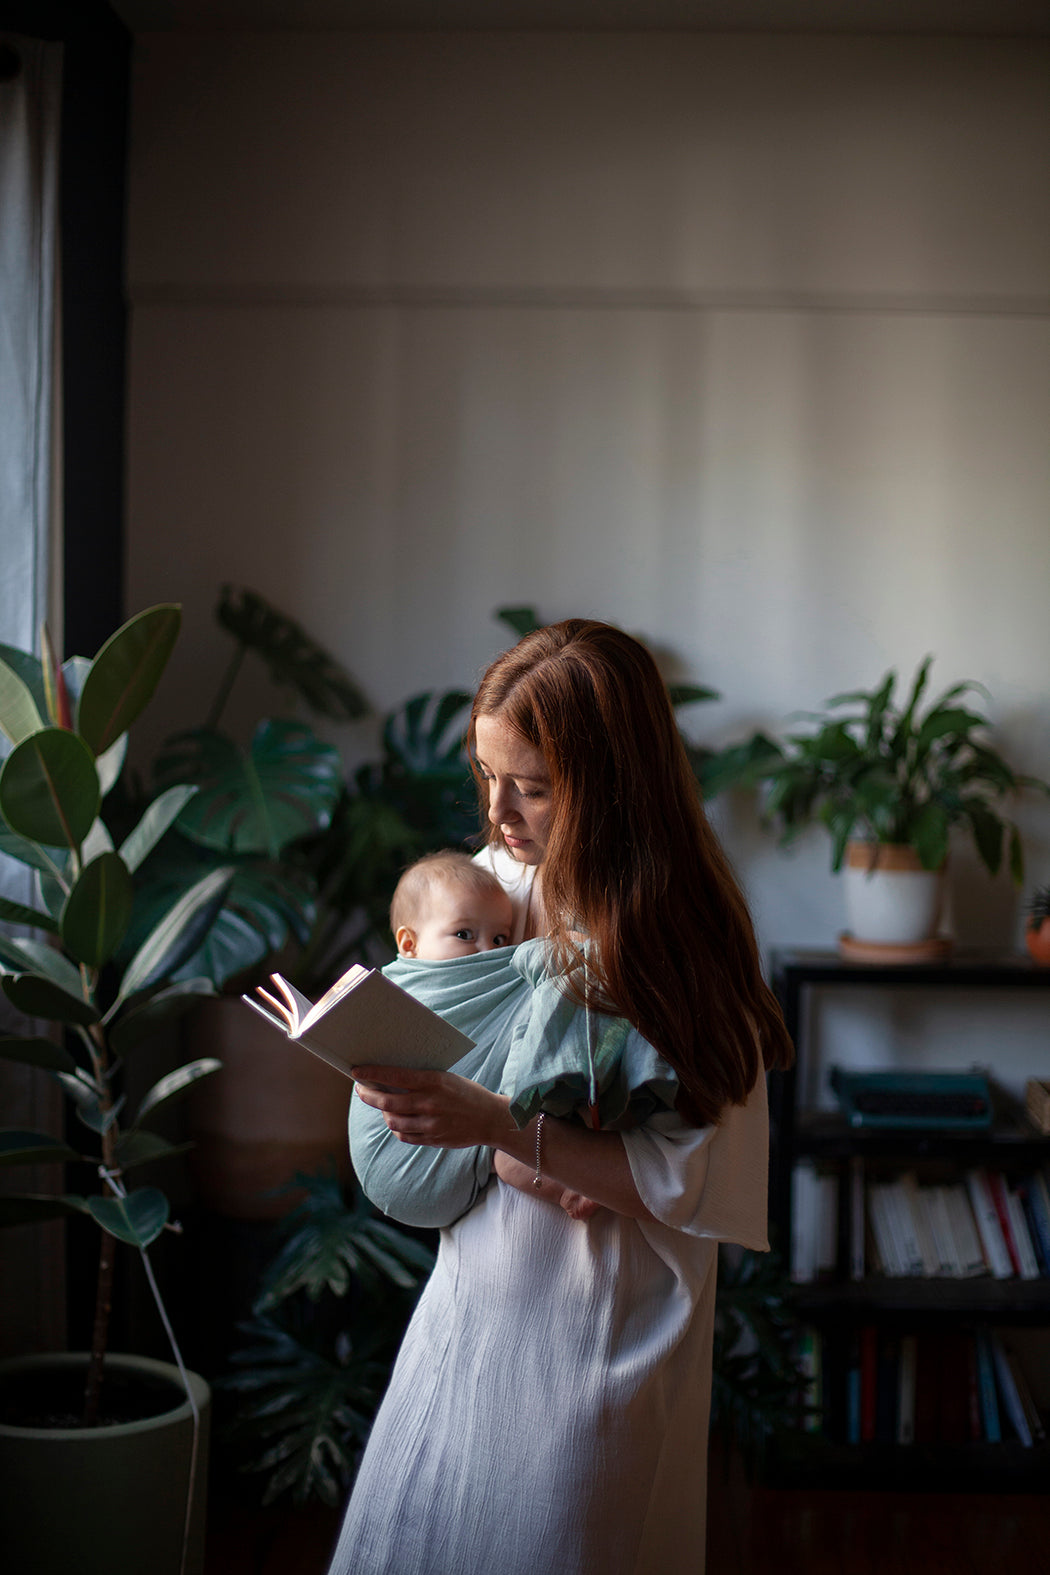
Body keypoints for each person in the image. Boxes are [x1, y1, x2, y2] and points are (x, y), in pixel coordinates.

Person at [327, 618, 794, 1575]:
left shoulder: (675, 936)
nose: (498, 812)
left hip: (596, 1331)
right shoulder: (493, 889)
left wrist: (505, 1131)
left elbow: (692, 1176)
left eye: (532, 787)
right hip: (475, 1303)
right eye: (486, 774)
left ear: (611, 784)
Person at [390, 849, 514, 959]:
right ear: (409, 944)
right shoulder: (389, 983)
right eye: (464, 935)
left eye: (498, 939)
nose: (489, 950)